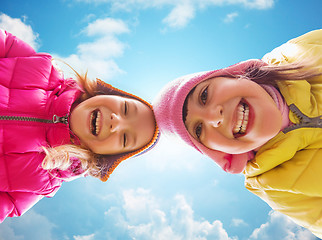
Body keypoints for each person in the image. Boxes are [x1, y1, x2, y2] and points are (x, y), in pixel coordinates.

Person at [153, 29, 322, 238]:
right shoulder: (275, 185)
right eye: (198, 129)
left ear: (233, 75)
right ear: (218, 153)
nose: (215, 117)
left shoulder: (302, 53)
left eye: (204, 95)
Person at [0, 29, 159, 222]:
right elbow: (6, 44)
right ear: (106, 93)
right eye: (125, 109)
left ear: (104, 156)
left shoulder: (41, 181)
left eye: (125, 138)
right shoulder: (42, 69)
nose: (116, 122)